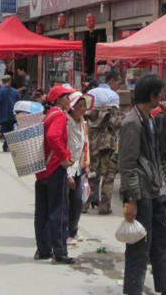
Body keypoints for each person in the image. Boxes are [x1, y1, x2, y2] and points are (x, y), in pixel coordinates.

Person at [120, 73, 166, 295]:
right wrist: (132, 199)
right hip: (141, 192)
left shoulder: (150, 119)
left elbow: (160, 149)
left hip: (154, 189)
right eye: (161, 94)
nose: (164, 98)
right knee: (139, 246)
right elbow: (127, 165)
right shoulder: (132, 123)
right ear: (153, 96)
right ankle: (133, 290)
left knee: (163, 240)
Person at [34, 85, 76, 264]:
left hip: (42, 171)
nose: (69, 100)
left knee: (41, 213)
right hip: (54, 169)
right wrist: (65, 156)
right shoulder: (59, 115)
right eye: (67, 96)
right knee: (58, 212)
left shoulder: (49, 114)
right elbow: (53, 137)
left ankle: (43, 250)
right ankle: (59, 252)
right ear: (59, 99)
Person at [87, 70, 123, 214]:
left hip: (92, 140)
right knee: (109, 174)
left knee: (91, 172)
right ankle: (104, 206)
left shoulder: (91, 93)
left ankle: (85, 204)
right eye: (118, 82)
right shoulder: (113, 96)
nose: (118, 86)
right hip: (108, 141)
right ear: (112, 81)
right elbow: (115, 122)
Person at [66, 91, 91, 245]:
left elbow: (85, 145)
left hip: (79, 167)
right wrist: (68, 173)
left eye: (84, 106)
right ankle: (65, 233)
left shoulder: (83, 123)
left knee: (78, 201)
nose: (83, 109)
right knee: (67, 202)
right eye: (79, 106)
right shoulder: (66, 123)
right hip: (67, 167)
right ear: (72, 107)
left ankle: (73, 231)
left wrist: (87, 164)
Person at [0, 75, 20, 152]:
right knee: (10, 130)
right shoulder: (15, 92)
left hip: (3, 115)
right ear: (10, 81)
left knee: (5, 130)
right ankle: (6, 144)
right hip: (12, 114)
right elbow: (18, 103)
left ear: (2, 82)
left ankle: (6, 144)